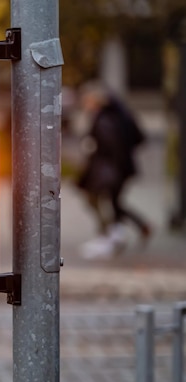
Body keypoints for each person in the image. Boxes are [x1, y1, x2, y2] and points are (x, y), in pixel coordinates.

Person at [76, 82, 152, 259]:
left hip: (110, 169)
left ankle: (113, 236)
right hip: (121, 167)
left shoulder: (104, 119)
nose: (85, 104)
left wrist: (95, 150)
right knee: (114, 202)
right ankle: (130, 230)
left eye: (87, 100)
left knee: (108, 201)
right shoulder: (120, 114)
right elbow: (138, 138)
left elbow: (110, 146)